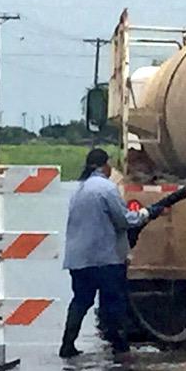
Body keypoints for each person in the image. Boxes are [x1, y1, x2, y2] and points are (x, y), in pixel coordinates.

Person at [59, 148, 149, 358]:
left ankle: (67, 345)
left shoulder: (78, 190)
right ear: (104, 166)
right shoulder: (106, 188)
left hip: (78, 260)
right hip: (105, 259)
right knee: (113, 303)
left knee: (80, 301)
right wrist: (144, 214)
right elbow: (124, 220)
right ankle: (119, 348)